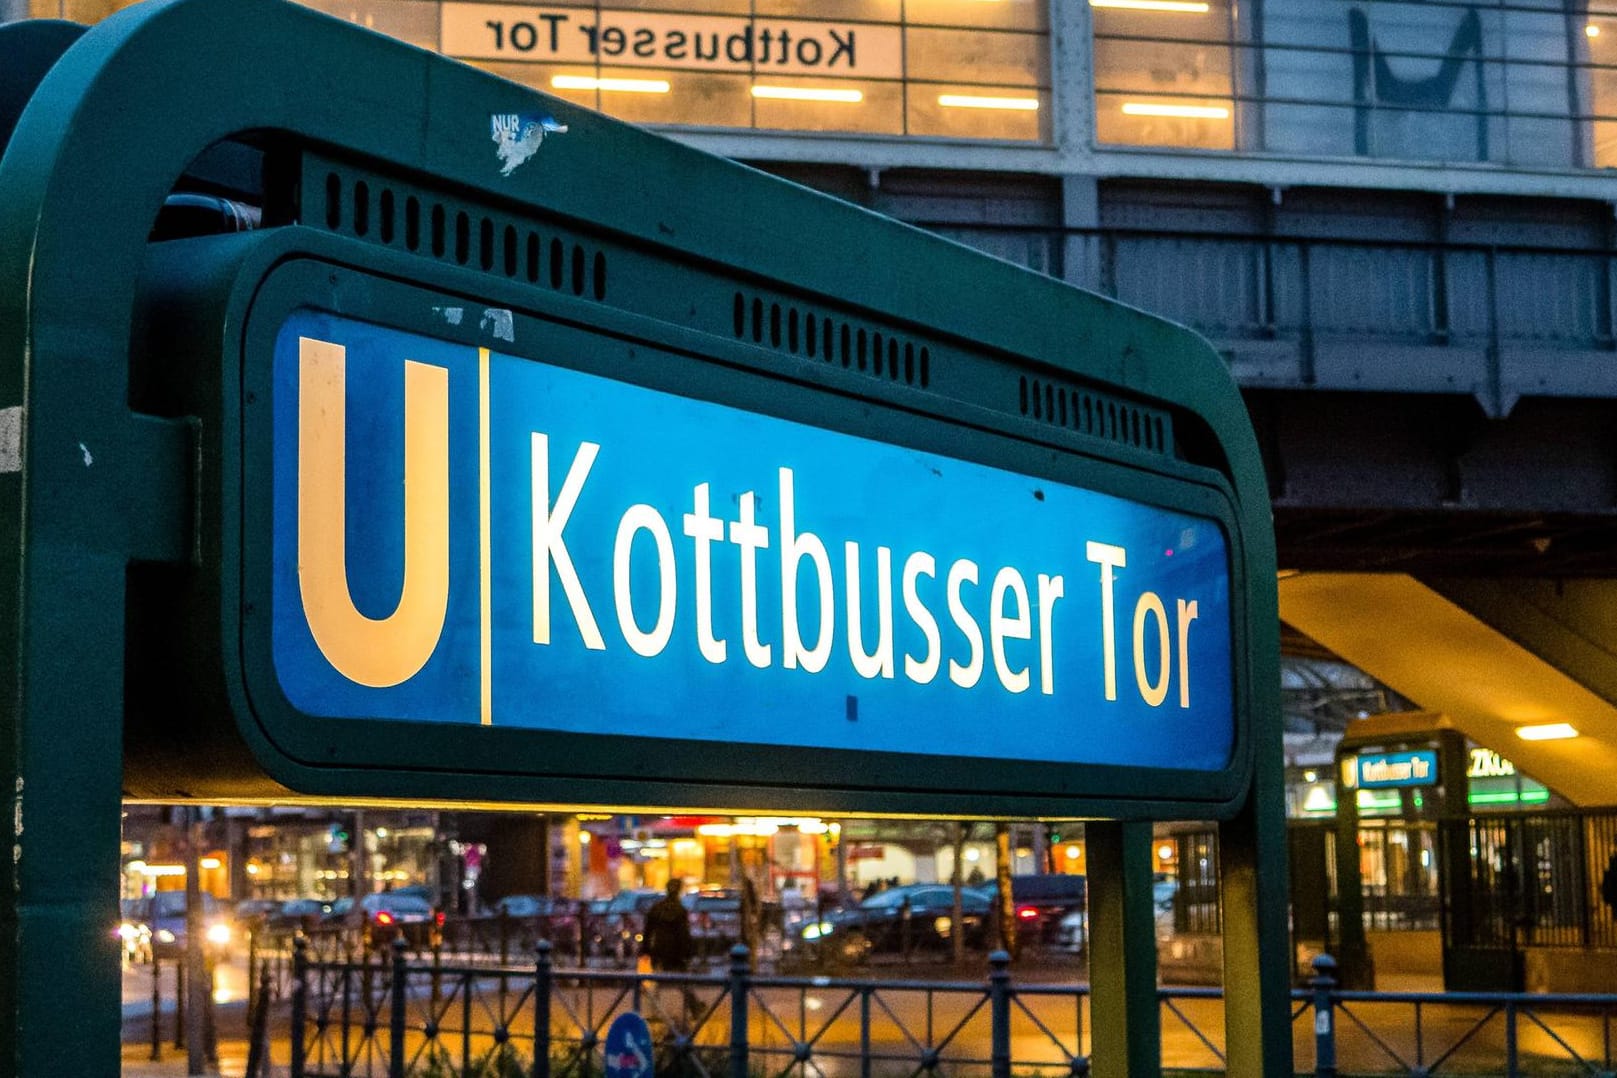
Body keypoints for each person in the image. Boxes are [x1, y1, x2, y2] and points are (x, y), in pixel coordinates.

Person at [642, 879, 693, 973]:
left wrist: (645, 949)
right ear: (679, 891)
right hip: (676, 950)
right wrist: (688, 952)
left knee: (659, 977)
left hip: (659, 946)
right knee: (675, 979)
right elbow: (684, 934)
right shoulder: (680, 910)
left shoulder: (657, 908)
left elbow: (648, 930)